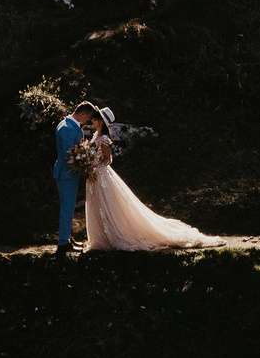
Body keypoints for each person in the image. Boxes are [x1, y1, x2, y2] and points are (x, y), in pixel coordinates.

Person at [79, 103, 218, 252]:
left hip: (101, 177)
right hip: (93, 177)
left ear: (100, 121)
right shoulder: (96, 136)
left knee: (108, 206)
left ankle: (113, 236)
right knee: (98, 206)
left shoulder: (104, 139)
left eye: (94, 119)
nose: (91, 121)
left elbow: (108, 160)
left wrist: (95, 169)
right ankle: (101, 237)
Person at [53, 102, 99, 256]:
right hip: (66, 174)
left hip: (70, 174)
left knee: (69, 207)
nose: (88, 121)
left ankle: (66, 238)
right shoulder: (66, 128)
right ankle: (62, 244)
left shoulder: (71, 124)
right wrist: (83, 163)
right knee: (67, 208)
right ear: (83, 114)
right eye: (88, 118)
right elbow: (68, 154)